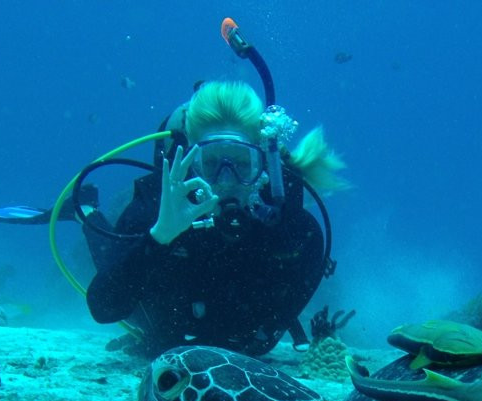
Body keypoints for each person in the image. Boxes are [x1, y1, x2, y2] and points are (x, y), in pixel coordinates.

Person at [81, 80, 347, 357]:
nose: (226, 181)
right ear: (190, 162)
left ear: (263, 164)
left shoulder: (293, 228)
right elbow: (104, 307)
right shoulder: (158, 207)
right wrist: (159, 236)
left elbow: (291, 299)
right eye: (210, 164)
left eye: (242, 164)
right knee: (109, 252)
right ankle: (88, 210)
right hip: (155, 321)